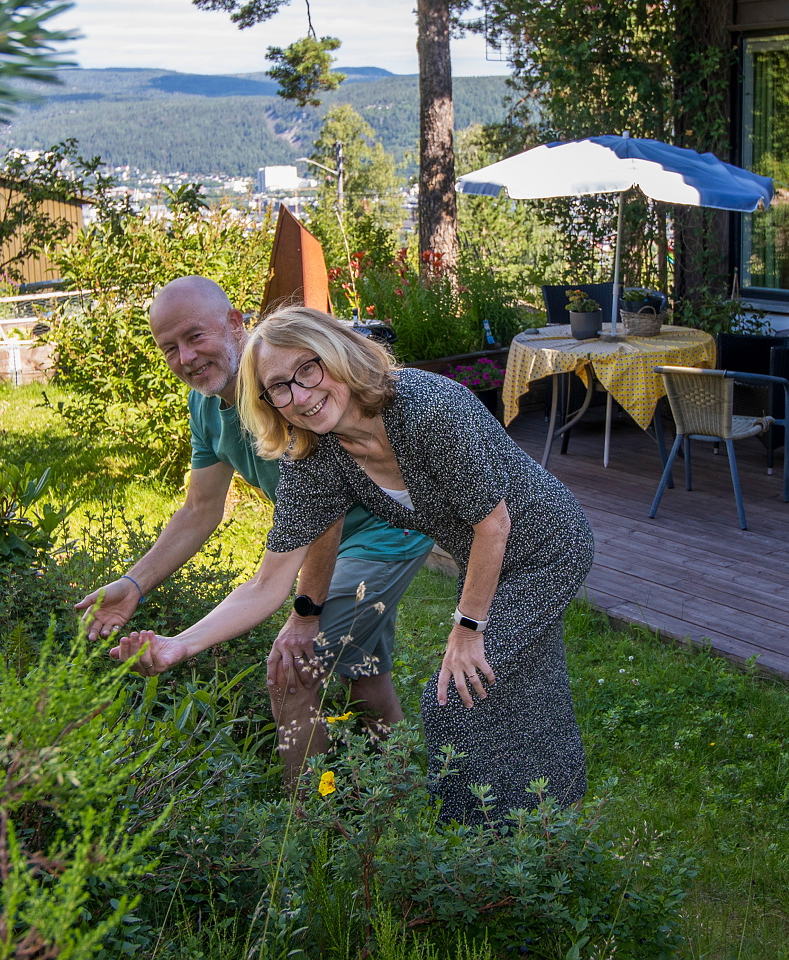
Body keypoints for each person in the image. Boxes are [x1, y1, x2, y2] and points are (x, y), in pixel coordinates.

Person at [110, 306, 594, 821]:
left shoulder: (426, 406)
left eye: (309, 369)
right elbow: (268, 584)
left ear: (340, 355)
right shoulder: (317, 456)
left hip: (547, 548)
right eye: (279, 388)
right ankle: (554, 815)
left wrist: (467, 628)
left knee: (454, 696)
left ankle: (474, 843)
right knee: (520, 681)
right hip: (486, 561)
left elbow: (493, 524)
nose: (300, 395)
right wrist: (179, 644)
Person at [75, 277, 434, 784]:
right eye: (169, 348)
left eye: (194, 336)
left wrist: (306, 615)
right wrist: (134, 585)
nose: (186, 357)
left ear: (235, 322)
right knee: (363, 673)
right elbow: (200, 508)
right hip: (326, 535)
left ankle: (307, 823)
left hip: (382, 532)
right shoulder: (206, 407)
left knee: (291, 672)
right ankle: (402, 797)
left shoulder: (283, 388)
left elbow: (323, 519)